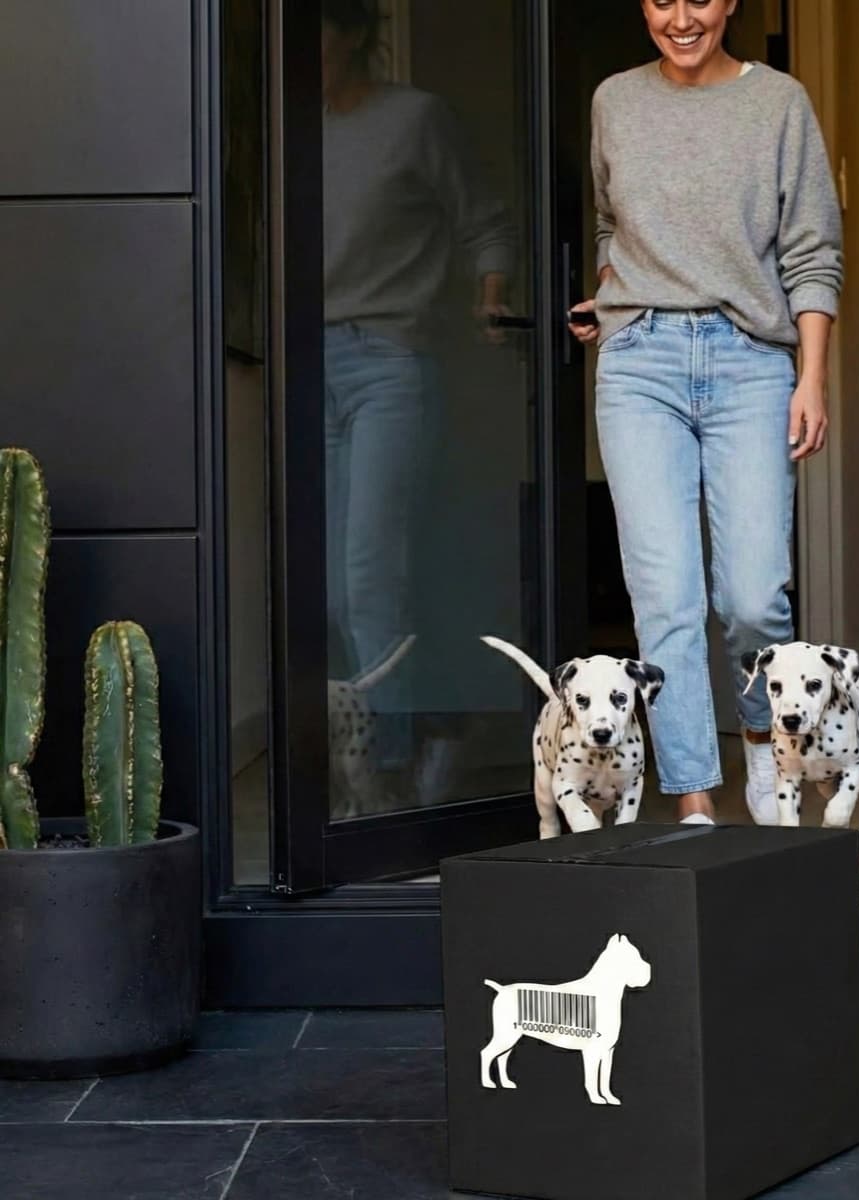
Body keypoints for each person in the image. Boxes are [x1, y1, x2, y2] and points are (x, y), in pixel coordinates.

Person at [569, 0, 843, 825]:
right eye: (661, 0)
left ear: (729, 3)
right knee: (665, 594)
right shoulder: (614, 99)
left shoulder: (778, 103)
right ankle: (694, 796)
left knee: (755, 593)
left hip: (749, 361)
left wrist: (811, 378)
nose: (680, 18)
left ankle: (762, 741)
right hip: (639, 360)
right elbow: (614, 223)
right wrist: (612, 298)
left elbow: (812, 250)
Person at [321, 0, 515, 810]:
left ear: (356, 34)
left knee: (369, 574)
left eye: (320, 33)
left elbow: (485, 223)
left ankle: (387, 777)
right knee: (335, 588)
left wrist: (492, 304)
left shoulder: (414, 120)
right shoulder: (289, 134)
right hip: (308, 363)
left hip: (388, 361)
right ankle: (439, 725)